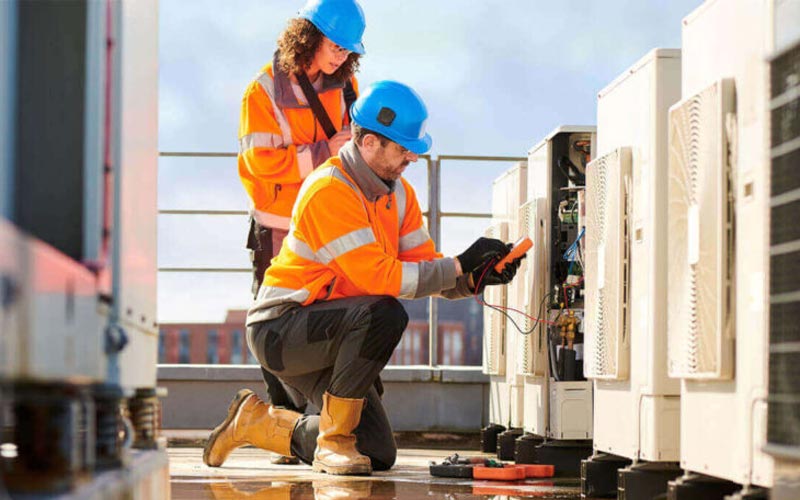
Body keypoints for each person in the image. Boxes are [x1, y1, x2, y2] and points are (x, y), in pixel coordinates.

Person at [205, 81, 523, 475]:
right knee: (386, 313)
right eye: (403, 148)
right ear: (370, 142)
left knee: (375, 453)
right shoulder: (329, 190)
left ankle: (257, 423)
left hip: (332, 331)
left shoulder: (399, 193)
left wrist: (474, 278)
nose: (411, 156)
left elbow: (423, 265)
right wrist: (459, 265)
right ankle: (332, 444)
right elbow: (379, 277)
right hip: (282, 330)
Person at [235, 0, 366, 460]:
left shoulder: (347, 83)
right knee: (273, 324)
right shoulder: (263, 91)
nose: (341, 56)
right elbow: (261, 163)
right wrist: (324, 149)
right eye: (335, 46)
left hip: (326, 223)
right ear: (308, 36)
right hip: (277, 226)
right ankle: (281, 423)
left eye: (348, 50)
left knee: (324, 318)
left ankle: (309, 426)